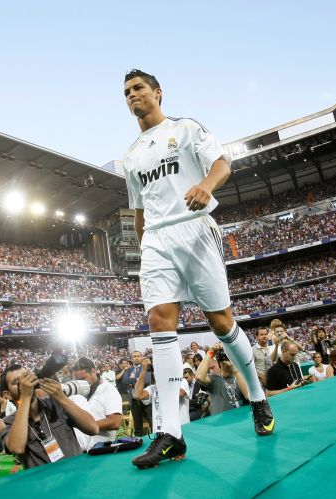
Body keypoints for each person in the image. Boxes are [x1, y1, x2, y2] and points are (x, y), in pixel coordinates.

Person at [122, 69, 274, 468]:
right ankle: (172, 433)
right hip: (156, 239)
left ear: (157, 92)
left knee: (221, 323)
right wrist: (145, 248)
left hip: (195, 231)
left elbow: (222, 164)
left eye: (138, 88)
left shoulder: (186, 129)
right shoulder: (131, 156)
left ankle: (257, 397)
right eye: (126, 92)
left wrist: (206, 185)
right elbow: (138, 211)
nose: (131, 95)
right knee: (159, 320)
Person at [0, 364, 99, 470]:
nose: (25, 383)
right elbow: (16, 448)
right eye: (16, 382)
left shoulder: (56, 404)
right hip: (43, 484)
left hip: (76, 477)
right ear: (7, 394)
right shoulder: (8, 422)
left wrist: (62, 398)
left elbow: (93, 428)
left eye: (26, 377)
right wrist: (25, 397)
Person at [70, 357, 123, 448]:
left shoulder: (108, 389)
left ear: (93, 371)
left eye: (84, 378)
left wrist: (84, 426)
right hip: (81, 450)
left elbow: (115, 422)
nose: (81, 383)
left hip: (102, 449)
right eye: (78, 380)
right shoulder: (77, 392)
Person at [134, 357, 190, 430]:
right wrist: (144, 370)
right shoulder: (153, 388)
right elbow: (138, 395)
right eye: (155, 370)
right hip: (161, 431)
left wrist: (162, 380)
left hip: (181, 428)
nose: (156, 373)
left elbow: (178, 394)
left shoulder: (181, 381)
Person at [195, 344, 250, 416]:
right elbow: (199, 377)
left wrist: (234, 369)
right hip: (221, 423)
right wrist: (210, 352)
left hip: (239, 421)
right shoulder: (214, 379)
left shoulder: (241, 377)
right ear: (219, 363)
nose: (228, 362)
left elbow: (248, 396)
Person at [122, 351, 152, 437]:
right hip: (134, 400)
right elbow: (125, 381)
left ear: (141, 357)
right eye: (134, 356)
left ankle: (156, 440)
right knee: (137, 425)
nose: (137, 358)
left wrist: (133, 381)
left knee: (152, 422)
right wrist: (138, 380)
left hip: (146, 398)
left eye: (138, 356)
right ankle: (140, 442)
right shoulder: (128, 369)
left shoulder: (146, 367)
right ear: (131, 358)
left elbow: (146, 380)